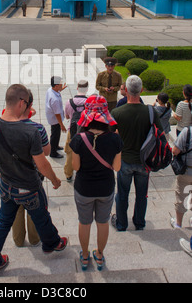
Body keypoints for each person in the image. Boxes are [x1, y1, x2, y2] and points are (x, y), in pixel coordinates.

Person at [0, 84, 67, 278]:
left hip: (6, 187)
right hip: (29, 188)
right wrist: (54, 179)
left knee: (2, 222)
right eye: (27, 104)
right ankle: (52, 243)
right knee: (41, 217)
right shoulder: (30, 132)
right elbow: (42, 164)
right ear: (21, 103)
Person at [69, 95, 122, 271]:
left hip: (84, 188)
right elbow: (116, 167)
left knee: (84, 222)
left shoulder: (79, 139)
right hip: (106, 188)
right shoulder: (115, 138)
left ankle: (84, 256)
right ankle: (99, 255)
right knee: (103, 222)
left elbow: (75, 167)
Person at [111, 75, 163, 231]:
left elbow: (110, 137)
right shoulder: (151, 111)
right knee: (142, 195)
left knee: (122, 194)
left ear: (125, 91)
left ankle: (121, 224)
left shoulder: (117, 112)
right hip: (144, 161)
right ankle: (139, 223)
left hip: (125, 160)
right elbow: (160, 133)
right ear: (141, 90)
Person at [12, 89, 50, 247]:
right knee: (34, 207)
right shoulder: (38, 128)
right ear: (31, 105)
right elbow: (46, 152)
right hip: (33, 176)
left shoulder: (4, 126)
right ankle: (35, 238)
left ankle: (18, 239)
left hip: (12, 176)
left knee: (16, 209)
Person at [63, 80, 88, 182]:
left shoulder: (69, 102)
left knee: (69, 153)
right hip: (85, 132)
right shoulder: (89, 102)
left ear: (77, 88)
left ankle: (68, 174)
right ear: (86, 89)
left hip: (72, 131)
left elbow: (67, 116)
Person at [170, 126, 192, 229]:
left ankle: (178, 224)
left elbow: (175, 151)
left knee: (181, 197)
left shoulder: (187, 131)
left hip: (187, 171)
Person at [45, 76, 67, 158]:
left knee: (56, 134)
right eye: (60, 84)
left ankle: (56, 146)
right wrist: (62, 125)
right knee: (55, 134)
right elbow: (57, 114)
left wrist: (62, 89)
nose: (61, 85)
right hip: (55, 119)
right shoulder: (55, 99)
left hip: (52, 116)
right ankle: (53, 152)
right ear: (56, 85)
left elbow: (57, 90)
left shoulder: (51, 89)